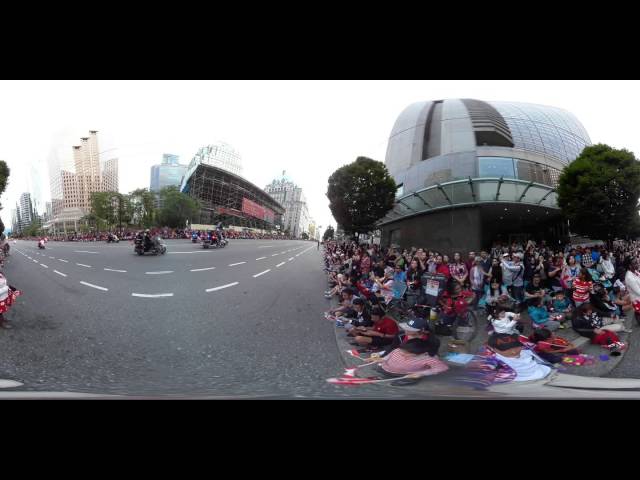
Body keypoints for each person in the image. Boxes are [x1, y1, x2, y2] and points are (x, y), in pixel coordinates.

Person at [461, 333, 554, 386]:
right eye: (506, 350)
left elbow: (537, 353)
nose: (514, 352)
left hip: (545, 373)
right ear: (493, 348)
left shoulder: (525, 347)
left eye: (516, 347)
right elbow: (477, 372)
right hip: (523, 383)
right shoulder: (491, 359)